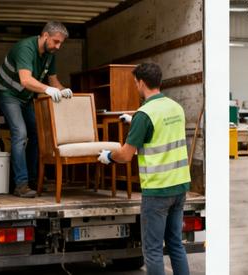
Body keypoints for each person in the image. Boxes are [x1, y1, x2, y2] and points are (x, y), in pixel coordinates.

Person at [97, 63, 190, 275]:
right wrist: (134, 121)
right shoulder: (176, 107)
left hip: (157, 191)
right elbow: (161, 134)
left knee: (153, 250)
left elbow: (126, 155)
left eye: (135, 83)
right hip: (179, 186)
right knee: (175, 244)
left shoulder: (144, 114)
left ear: (141, 82)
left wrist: (109, 157)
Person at [0, 21, 73, 198]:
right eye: (56, 41)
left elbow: (53, 82)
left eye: (61, 43)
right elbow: (26, 80)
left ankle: (33, 181)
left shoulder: (50, 54)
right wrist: (47, 90)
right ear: (45, 36)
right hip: (8, 94)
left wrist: (63, 90)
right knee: (20, 133)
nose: (58, 46)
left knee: (37, 133)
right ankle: (20, 184)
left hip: (26, 96)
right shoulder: (25, 48)